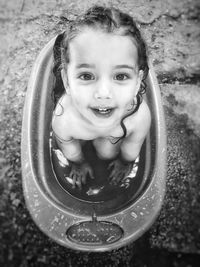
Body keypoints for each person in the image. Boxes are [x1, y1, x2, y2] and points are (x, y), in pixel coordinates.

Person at [51, 5, 151, 189]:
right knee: (98, 149)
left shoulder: (138, 117)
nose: (104, 93)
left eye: (121, 76)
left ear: (138, 81)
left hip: (114, 138)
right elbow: (69, 148)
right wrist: (79, 163)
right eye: (86, 76)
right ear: (66, 80)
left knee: (107, 151)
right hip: (81, 136)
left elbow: (132, 146)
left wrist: (125, 162)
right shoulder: (64, 119)